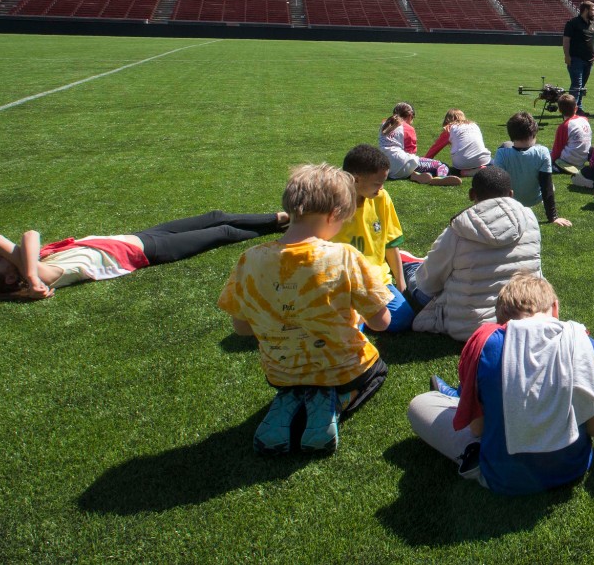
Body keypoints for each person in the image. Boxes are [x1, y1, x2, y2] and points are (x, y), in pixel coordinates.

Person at [218, 163, 393, 455]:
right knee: (378, 370)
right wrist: (359, 316)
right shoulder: (344, 256)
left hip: (281, 371)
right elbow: (382, 322)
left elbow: (241, 327)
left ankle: (293, 397)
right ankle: (333, 400)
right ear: (334, 215)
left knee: (295, 376)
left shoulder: (250, 259)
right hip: (342, 369)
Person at [407, 273, 594, 495]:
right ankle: (460, 396)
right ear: (555, 308)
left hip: (504, 478)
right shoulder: (582, 342)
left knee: (420, 404)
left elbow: (477, 429)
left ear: (501, 321)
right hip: (573, 468)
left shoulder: (487, 345)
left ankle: (459, 398)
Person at [0, 209, 288, 306]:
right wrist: (34, 278)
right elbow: (25, 237)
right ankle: (284, 228)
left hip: (140, 236)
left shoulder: (28, 266)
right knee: (223, 233)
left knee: (215, 216)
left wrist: (15, 270)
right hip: (149, 252)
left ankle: (277, 218)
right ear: (9, 279)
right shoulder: (41, 271)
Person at [408, 166, 543, 341]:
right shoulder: (530, 219)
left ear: (471, 194)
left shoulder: (458, 229)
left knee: (414, 275)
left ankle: (409, 263)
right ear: (511, 194)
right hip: (524, 316)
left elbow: (428, 283)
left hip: (469, 326)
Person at [333, 144, 420, 332]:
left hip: (375, 279)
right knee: (351, 332)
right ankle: (358, 316)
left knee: (403, 319)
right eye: (377, 183)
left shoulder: (382, 198)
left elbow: (390, 243)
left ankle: (360, 314)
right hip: (340, 282)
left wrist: (401, 284)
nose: (381, 189)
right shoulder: (331, 204)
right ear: (356, 179)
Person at [493, 111, 573, 227]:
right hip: (533, 199)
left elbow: (497, 186)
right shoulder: (543, 152)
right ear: (534, 133)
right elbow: (547, 186)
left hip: (510, 201)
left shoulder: (501, 153)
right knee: (552, 186)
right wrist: (553, 217)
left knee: (505, 146)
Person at [378, 102, 462, 186]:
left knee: (411, 164)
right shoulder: (407, 128)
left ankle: (414, 175)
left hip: (386, 167)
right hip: (402, 162)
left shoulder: (384, 124)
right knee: (442, 165)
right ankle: (440, 178)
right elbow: (411, 152)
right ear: (410, 115)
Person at [425, 109, 492, 177]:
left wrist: (424, 161)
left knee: (445, 166)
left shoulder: (449, 128)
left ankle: (464, 172)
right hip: (483, 159)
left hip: (462, 163)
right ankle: (479, 169)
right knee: (493, 163)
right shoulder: (474, 125)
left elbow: (435, 148)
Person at [562, 0, 594, 115]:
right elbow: (566, 40)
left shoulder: (593, 25)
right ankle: (572, 110)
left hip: (589, 61)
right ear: (586, 10)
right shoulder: (572, 23)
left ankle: (578, 108)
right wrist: (567, 56)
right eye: (593, 10)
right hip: (576, 60)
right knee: (576, 85)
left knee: (582, 86)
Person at [550, 93, 592, 171]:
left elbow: (557, 149)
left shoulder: (565, 126)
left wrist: (550, 160)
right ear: (576, 108)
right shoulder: (585, 119)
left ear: (559, 110)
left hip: (569, 161)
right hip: (582, 159)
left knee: (545, 152)